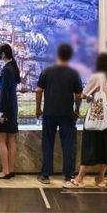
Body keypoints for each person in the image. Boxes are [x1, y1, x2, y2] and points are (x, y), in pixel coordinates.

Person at [65, 53, 107, 189]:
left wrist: (88, 97)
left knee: (90, 145)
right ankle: (100, 178)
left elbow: (83, 94)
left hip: (97, 114)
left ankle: (79, 178)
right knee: (106, 146)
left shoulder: (96, 77)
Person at [35, 44, 83, 184]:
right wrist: (77, 110)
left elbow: (38, 90)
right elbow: (78, 95)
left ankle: (45, 175)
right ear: (70, 56)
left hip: (49, 113)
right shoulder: (74, 73)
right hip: (67, 114)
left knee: (48, 143)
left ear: (57, 55)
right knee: (68, 144)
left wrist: (38, 108)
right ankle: (68, 175)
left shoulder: (47, 71)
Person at [0, 43, 21, 179]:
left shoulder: (7, 69)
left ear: (2, 54)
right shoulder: (12, 67)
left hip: (5, 109)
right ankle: (11, 169)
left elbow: (4, 91)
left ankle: (5, 171)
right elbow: (5, 85)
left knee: (1, 138)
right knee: (11, 138)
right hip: (12, 108)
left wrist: (1, 110)